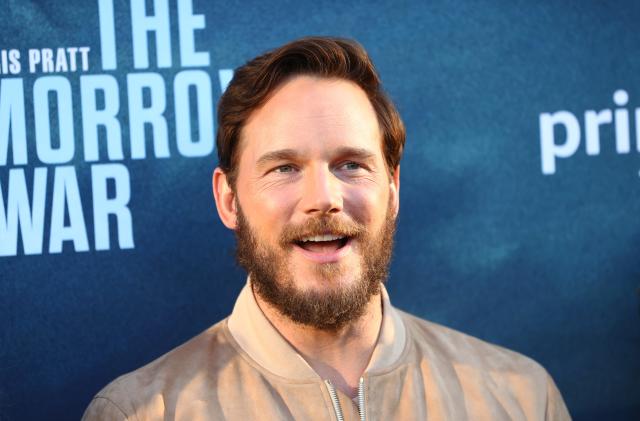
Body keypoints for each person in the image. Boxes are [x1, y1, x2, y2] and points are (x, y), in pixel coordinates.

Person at [82, 36, 571, 420]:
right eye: (284, 168)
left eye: (351, 164)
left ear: (393, 188)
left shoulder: (522, 398)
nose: (324, 199)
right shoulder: (140, 412)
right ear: (229, 199)